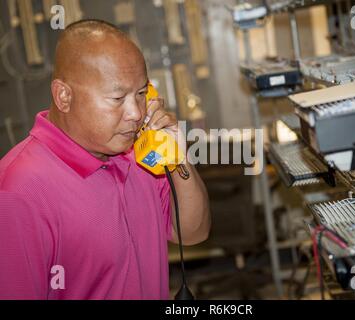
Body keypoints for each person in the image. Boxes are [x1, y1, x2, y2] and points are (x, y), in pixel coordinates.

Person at [0, 19, 210, 300]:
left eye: (141, 94)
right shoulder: (19, 190)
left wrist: (177, 158)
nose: (136, 113)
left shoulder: (141, 153)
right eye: (117, 98)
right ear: (64, 96)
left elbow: (194, 232)